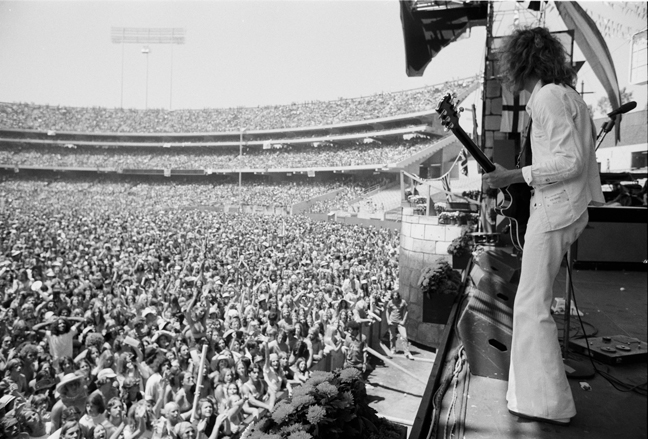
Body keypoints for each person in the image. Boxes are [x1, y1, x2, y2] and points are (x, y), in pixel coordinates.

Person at [484, 26, 605, 426]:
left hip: (555, 210)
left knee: (531, 307)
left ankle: (547, 403)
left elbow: (569, 163)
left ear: (521, 64)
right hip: (565, 208)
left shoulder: (549, 98)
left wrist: (514, 176)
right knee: (531, 304)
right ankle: (537, 397)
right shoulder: (567, 95)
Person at [385, 291, 413, 360]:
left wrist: (404, 320)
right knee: (392, 337)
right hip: (392, 322)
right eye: (394, 295)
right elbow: (387, 311)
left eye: (396, 295)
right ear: (392, 296)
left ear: (398, 296)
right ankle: (393, 349)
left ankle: (406, 352)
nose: (395, 297)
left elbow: (407, 310)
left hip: (400, 322)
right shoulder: (390, 302)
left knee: (404, 336)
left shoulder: (403, 302)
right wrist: (388, 320)